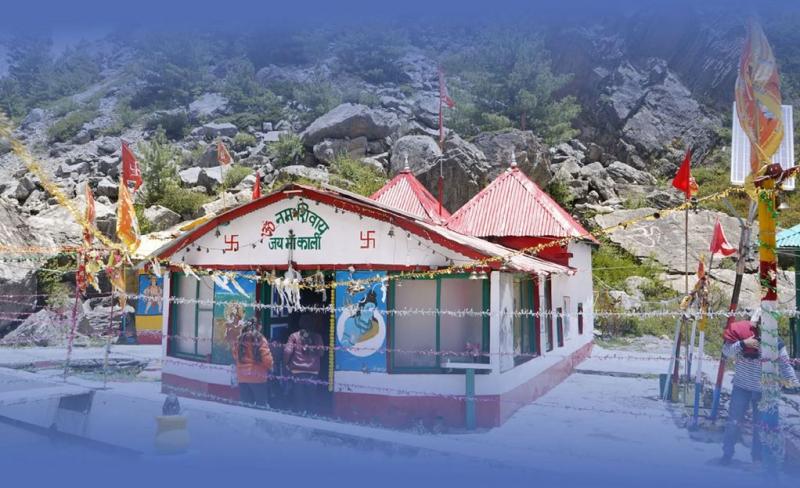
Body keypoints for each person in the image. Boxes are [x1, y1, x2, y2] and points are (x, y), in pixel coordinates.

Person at [719, 316, 799, 465]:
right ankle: (727, 455)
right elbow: (726, 352)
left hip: (764, 390)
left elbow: (785, 365)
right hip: (741, 387)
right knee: (734, 421)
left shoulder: (777, 343)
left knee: (761, 426)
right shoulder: (743, 336)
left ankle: (757, 458)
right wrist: (743, 343)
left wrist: (794, 383)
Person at [284, 314, 324, 414]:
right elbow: (321, 353)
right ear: (313, 324)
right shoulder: (317, 337)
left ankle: (300, 415)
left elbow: (287, 351)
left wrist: (286, 363)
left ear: (300, 323)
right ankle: (312, 416)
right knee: (312, 397)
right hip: (313, 372)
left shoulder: (294, 336)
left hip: (297, 371)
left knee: (299, 397)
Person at [232, 319, 273, 407]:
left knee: (246, 406)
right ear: (258, 327)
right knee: (261, 405)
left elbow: (235, 356)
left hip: (242, 377)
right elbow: (266, 358)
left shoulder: (239, 339)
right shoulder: (260, 339)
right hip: (258, 377)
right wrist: (270, 368)